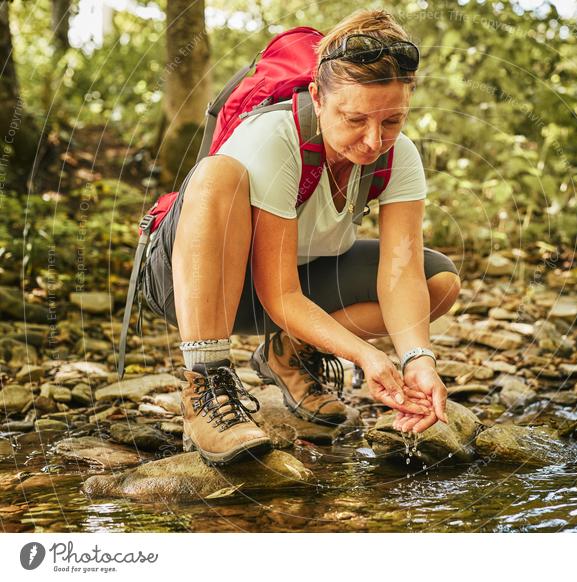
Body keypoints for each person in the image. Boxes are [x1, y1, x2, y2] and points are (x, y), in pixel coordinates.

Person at [140, 9, 461, 465]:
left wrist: (417, 360)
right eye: (354, 119)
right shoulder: (276, 136)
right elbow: (279, 293)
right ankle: (206, 388)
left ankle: (288, 353)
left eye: (392, 121)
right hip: (188, 283)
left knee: (437, 283)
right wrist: (367, 356)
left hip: (286, 285)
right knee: (216, 175)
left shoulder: (400, 156)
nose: (373, 140)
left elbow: (401, 272)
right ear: (318, 96)